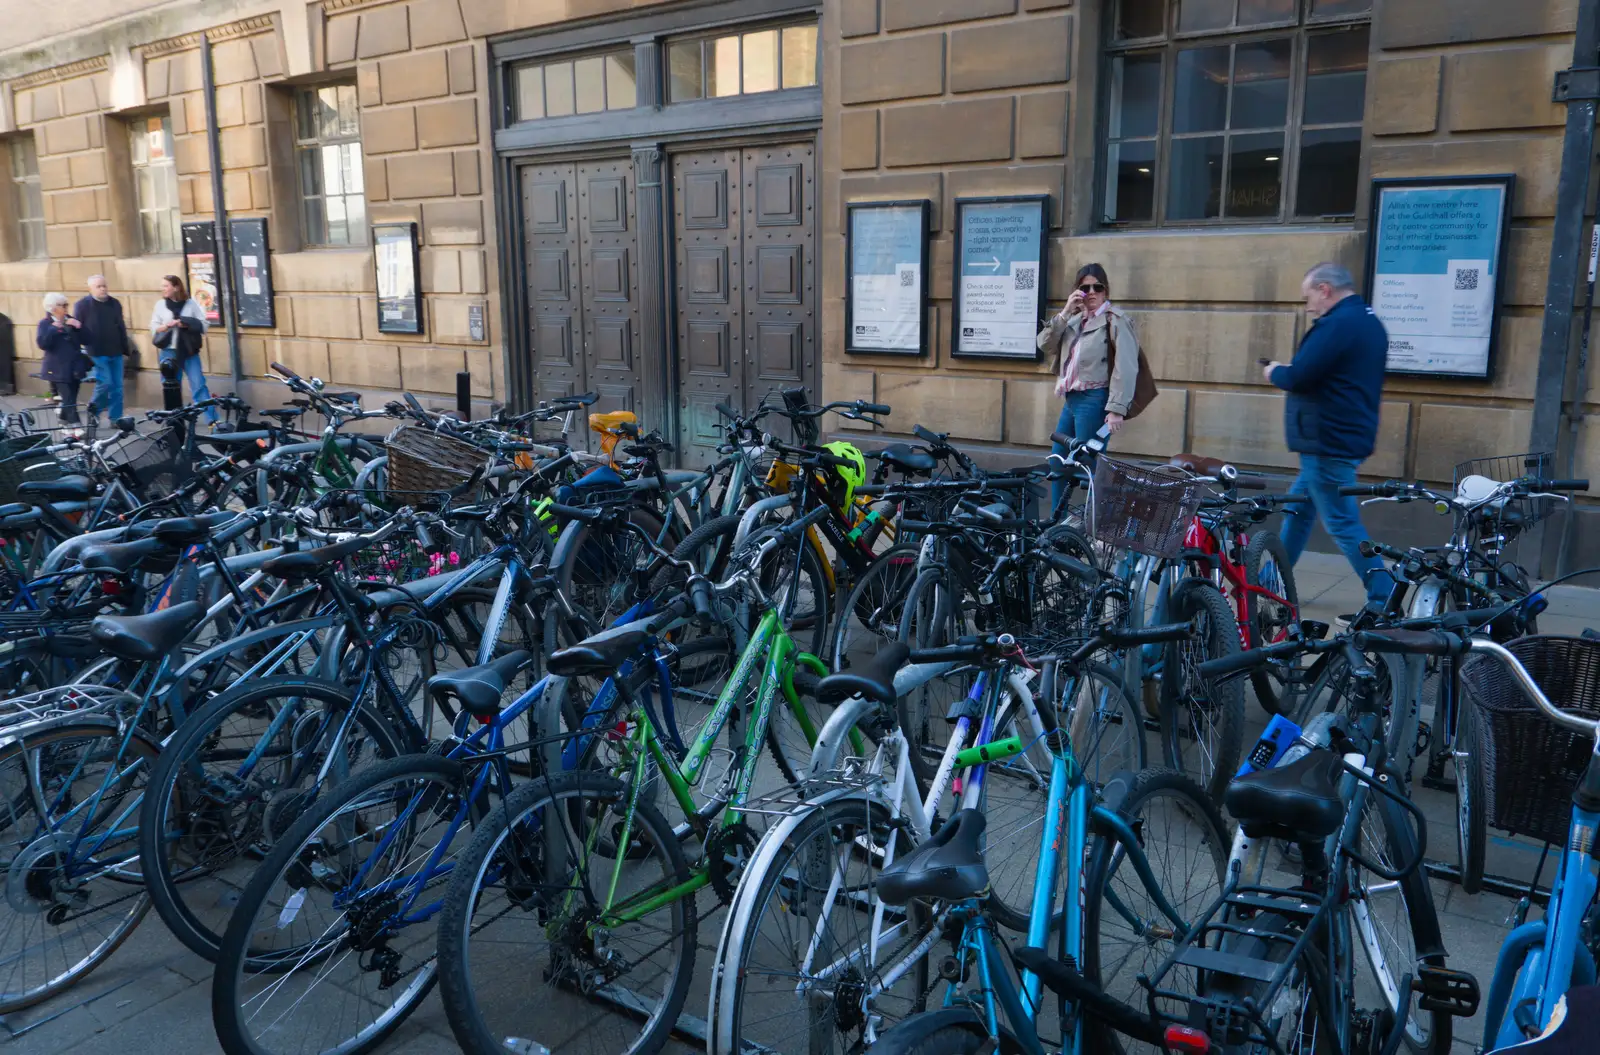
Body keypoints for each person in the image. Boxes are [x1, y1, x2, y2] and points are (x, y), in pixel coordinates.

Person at [1262, 262, 1397, 604]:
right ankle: (1271, 579)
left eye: (1309, 297)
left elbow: (1300, 376)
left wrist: (1275, 371)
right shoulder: (1367, 322)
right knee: (1298, 508)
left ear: (1325, 289)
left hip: (1328, 440)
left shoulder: (1338, 324)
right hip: (1339, 436)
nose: (1309, 307)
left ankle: (1384, 592)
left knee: (1341, 523)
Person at [1037, 263, 1142, 510]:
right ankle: (1058, 524)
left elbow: (1126, 367)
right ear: (1078, 291)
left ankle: (1099, 528)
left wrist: (1117, 408)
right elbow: (1044, 345)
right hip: (1072, 400)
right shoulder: (1073, 321)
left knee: (1088, 467)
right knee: (1058, 462)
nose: (1092, 292)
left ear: (1106, 291)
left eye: (1098, 287)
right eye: (1085, 287)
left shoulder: (1115, 320)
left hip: (1095, 399)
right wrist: (1064, 312)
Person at [150, 274, 215, 424]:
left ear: (176, 287)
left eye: (166, 286)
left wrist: (185, 324)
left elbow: (204, 325)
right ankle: (174, 422)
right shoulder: (160, 305)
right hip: (168, 352)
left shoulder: (190, 304)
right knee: (171, 388)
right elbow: (153, 328)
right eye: (163, 286)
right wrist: (167, 326)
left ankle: (212, 422)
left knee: (198, 385)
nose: (163, 289)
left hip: (188, 352)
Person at [73, 274, 129, 423]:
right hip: (96, 352)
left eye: (104, 285)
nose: (103, 289)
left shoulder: (114, 303)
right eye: (99, 286)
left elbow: (120, 326)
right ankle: (94, 413)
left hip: (116, 351)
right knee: (105, 383)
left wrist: (125, 348)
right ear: (90, 289)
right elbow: (77, 328)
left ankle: (116, 418)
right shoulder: (82, 305)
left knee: (117, 387)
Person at [35, 292, 88, 424]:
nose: (65, 308)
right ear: (52, 308)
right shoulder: (45, 323)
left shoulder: (70, 320)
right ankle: (76, 427)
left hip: (75, 367)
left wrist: (79, 327)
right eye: (62, 305)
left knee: (71, 398)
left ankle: (63, 418)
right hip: (58, 368)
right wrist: (53, 329)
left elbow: (88, 339)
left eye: (66, 305)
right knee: (69, 399)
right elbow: (42, 344)